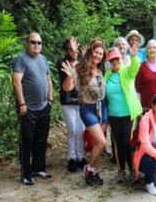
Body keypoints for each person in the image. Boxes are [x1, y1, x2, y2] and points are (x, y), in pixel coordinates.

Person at [61, 39, 108, 186]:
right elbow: (67, 88)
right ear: (90, 52)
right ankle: (89, 168)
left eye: (101, 54)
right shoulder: (81, 69)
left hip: (100, 108)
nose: (98, 56)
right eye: (96, 52)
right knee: (102, 142)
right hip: (87, 109)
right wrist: (69, 76)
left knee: (97, 143)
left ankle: (93, 173)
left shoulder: (100, 70)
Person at [12, 33, 54, 185]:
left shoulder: (42, 59)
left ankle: (39, 168)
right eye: (33, 42)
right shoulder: (21, 59)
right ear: (27, 43)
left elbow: (48, 80)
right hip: (28, 108)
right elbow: (17, 82)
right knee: (26, 142)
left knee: (41, 140)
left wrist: (50, 100)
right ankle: (26, 174)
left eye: (39, 42)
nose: (36, 45)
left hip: (43, 107)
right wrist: (22, 104)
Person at [105, 45, 142, 183]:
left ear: (121, 59)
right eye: (112, 60)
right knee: (118, 144)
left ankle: (133, 170)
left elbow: (135, 67)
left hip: (128, 114)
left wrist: (133, 56)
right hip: (113, 115)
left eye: (117, 59)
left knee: (128, 143)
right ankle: (121, 171)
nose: (115, 62)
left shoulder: (127, 72)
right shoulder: (107, 75)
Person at [57, 37, 86, 172]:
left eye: (76, 48)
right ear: (67, 50)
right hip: (67, 101)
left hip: (81, 101)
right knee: (72, 130)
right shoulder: (62, 63)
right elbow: (67, 87)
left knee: (81, 130)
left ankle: (81, 157)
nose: (74, 51)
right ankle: (71, 157)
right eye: (71, 49)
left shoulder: (81, 63)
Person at [136, 39, 156, 111]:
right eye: (149, 48)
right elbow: (137, 86)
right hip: (146, 106)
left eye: (154, 47)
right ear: (146, 51)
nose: (152, 50)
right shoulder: (142, 66)